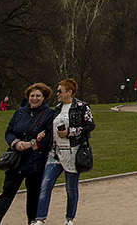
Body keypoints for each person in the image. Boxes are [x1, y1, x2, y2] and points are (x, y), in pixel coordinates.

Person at [0, 82, 54, 225]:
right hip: (17, 160)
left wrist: (31, 144)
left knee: (33, 193)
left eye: (38, 96)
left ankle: (32, 220)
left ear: (44, 97)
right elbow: (9, 131)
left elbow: (49, 137)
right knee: (7, 192)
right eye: (32, 96)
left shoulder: (49, 114)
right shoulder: (20, 112)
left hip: (36, 161)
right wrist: (16, 143)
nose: (34, 98)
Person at [37, 77, 95, 225]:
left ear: (69, 92)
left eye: (60, 91)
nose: (57, 94)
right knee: (46, 184)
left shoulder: (82, 107)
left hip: (72, 151)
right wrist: (44, 133)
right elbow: (50, 126)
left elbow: (90, 126)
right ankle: (40, 218)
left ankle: (69, 218)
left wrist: (71, 132)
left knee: (71, 188)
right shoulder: (57, 109)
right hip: (55, 151)